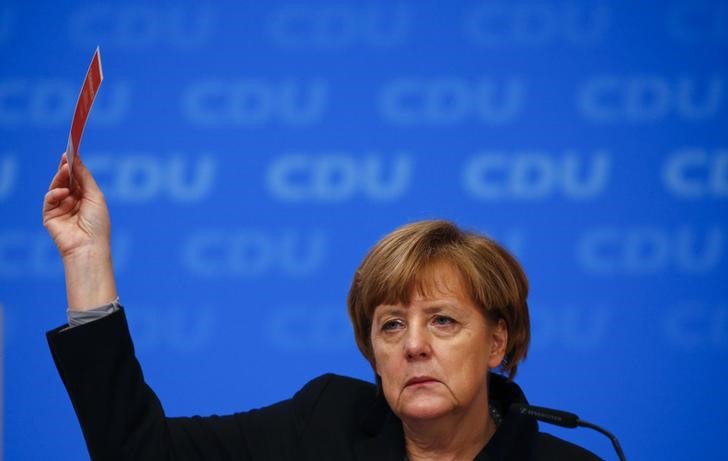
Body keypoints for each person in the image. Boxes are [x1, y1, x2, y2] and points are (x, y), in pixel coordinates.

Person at [43, 153, 599, 461]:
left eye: (444, 321)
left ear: (497, 343)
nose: (413, 345)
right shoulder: (325, 426)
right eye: (391, 325)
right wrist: (87, 257)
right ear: (373, 353)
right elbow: (140, 454)